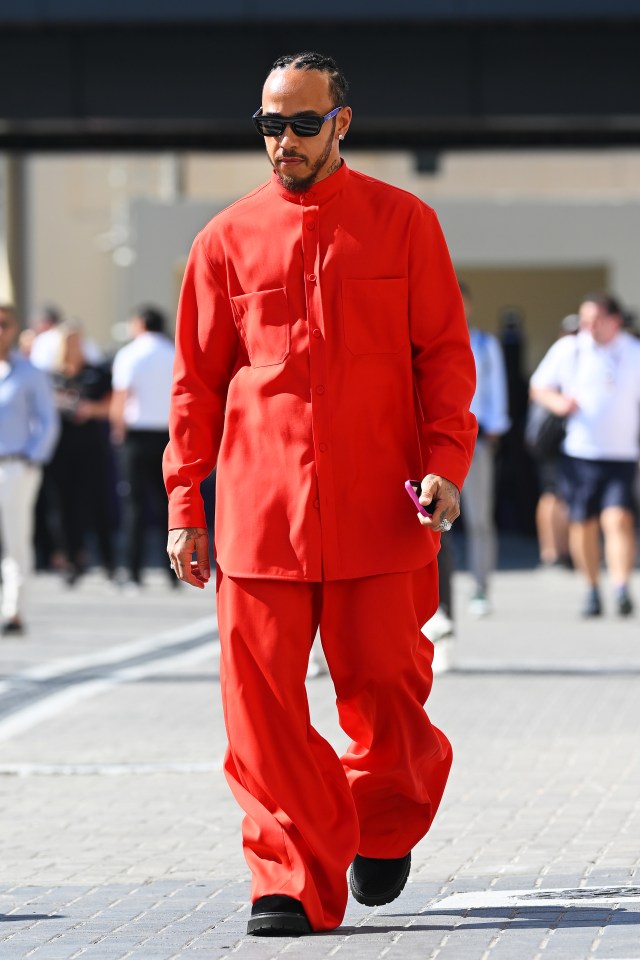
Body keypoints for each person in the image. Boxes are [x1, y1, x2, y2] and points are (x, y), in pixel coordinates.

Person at [164, 52, 476, 937]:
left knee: (388, 688)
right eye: (271, 125)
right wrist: (187, 504)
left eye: (303, 123)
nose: (285, 142)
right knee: (258, 709)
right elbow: (193, 385)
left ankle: (381, 816)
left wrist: (447, 461)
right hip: (260, 514)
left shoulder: (406, 223)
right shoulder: (223, 241)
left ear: (343, 121)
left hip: (384, 504)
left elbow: (445, 360)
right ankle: (287, 875)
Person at [530, 292, 640, 617]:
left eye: (595, 320)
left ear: (615, 321)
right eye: (584, 320)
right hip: (579, 454)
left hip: (621, 454)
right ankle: (591, 588)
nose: (588, 327)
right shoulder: (570, 349)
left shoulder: (632, 352)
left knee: (618, 519)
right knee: (583, 523)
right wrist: (559, 403)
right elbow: (539, 387)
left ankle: (620, 587)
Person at [0, 305, 59, 634]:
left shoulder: (29, 372)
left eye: (4, 323)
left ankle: (13, 611)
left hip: (14, 465)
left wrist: (32, 458)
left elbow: (47, 421)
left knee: (15, 538)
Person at [111, 305, 175, 588]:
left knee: (134, 505)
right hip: (167, 435)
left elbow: (121, 397)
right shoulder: (173, 352)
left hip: (137, 436)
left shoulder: (130, 354)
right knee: (168, 504)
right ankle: (173, 571)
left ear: (139, 324)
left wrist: (117, 431)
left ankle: (134, 571)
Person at [49, 323, 115, 585]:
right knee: (63, 508)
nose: (72, 347)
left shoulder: (96, 373)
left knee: (97, 505)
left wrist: (91, 409)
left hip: (91, 449)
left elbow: (113, 404)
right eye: (68, 342)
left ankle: (109, 561)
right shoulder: (51, 376)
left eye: (76, 341)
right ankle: (71, 560)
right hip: (60, 451)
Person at [458, 282, 510, 616]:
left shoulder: (483, 343)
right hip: (432, 440)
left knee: (479, 517)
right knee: (429, 522)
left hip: (474, 438)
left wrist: (494, 427)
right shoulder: (419, 338)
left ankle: (480, 587)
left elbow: (496, 389)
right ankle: (433, 595)